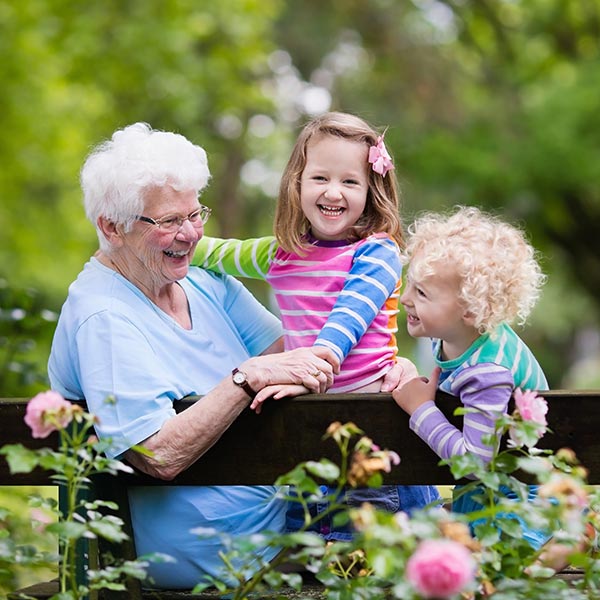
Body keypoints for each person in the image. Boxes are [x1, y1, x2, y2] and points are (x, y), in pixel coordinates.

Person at [47, 122, 344, 589]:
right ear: (111, 226)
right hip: (212, 559)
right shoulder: (103, 317)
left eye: (195, 214)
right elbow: (157, 453)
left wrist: (382, 363)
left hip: (282, 525)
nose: (190, 234)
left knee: (405, 507)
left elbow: (299, 355)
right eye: (168, 221)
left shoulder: (204, 281)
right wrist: (245, 378)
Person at [193, 112, 441, 539]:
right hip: (309, 442)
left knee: (377, 565)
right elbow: (218, 253)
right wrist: (177, 243)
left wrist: (309, 369)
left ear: (370, 191)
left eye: (350, 181)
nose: (333, 192)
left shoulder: (376, 254)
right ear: (297, 184)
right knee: (312, 562)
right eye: (320, 177)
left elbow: (345, 323)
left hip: (372, 442)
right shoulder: (282, 253)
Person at [392, 205, 549, 549]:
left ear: (470, 309)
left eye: (421, 293)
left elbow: (475, 464)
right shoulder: (455, 336)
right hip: (491, 490)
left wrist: (421, 410)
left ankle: (561, 546)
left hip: (518, 500)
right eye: (411, 286)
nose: (405, 299)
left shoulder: (487, 371)